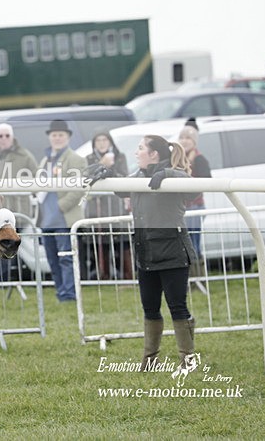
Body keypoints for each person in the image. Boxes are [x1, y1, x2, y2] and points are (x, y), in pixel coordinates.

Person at [125, 134, 198, 371]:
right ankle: (150, 360)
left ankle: (187, 361)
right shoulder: (136, 177)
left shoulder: (172, 174)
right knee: (150, 307)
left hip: (173, 250)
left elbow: (192, 188)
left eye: (140, 148)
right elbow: (119, 190)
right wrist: (104, 175)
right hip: (146, 252)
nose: (136, 153)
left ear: (153, 154)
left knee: (177, 306)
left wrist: (166, 173)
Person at [0, 123, 38, 283]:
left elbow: (37, 180)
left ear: (12, 137)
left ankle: (4, 280)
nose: (4, 139)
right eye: (0, 136)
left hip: (17, 210)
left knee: (9, 243)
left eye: (7, 136)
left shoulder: (25, 156)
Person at [37, 120, 87, 302]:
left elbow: (79, 187)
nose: (57, 138)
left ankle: (69, 293)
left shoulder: (75, 159)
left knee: (66, 258)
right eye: (54, 135)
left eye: (61, 135)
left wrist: (62, 205)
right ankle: (61, 291)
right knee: (52, 259)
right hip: (47, 219)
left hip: (63, 218)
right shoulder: (46, 159)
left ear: (68, 137)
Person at [83, 130, 131, 280]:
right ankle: (104, 275)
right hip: (97, 206)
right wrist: (100, 164)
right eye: (98, 140)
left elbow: (124, 176)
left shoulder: (120, 157)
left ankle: (127, 276)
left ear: (110, 141)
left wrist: (110, 168)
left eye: (104, 140)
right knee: (100, 241)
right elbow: (87, 177)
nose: (102, 143)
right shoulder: (89, 158)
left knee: (121, 242)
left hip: (115, 204)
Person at [178, 118, 211, 259]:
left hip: (194, 206)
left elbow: (206, 181)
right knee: (184, 244)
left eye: (188, 138)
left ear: (194, 141)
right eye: (182, 138)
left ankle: (198, 276)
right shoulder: (177, 159)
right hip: (181, 207)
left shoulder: (199, 159)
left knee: (193, 244)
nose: (184, 141)